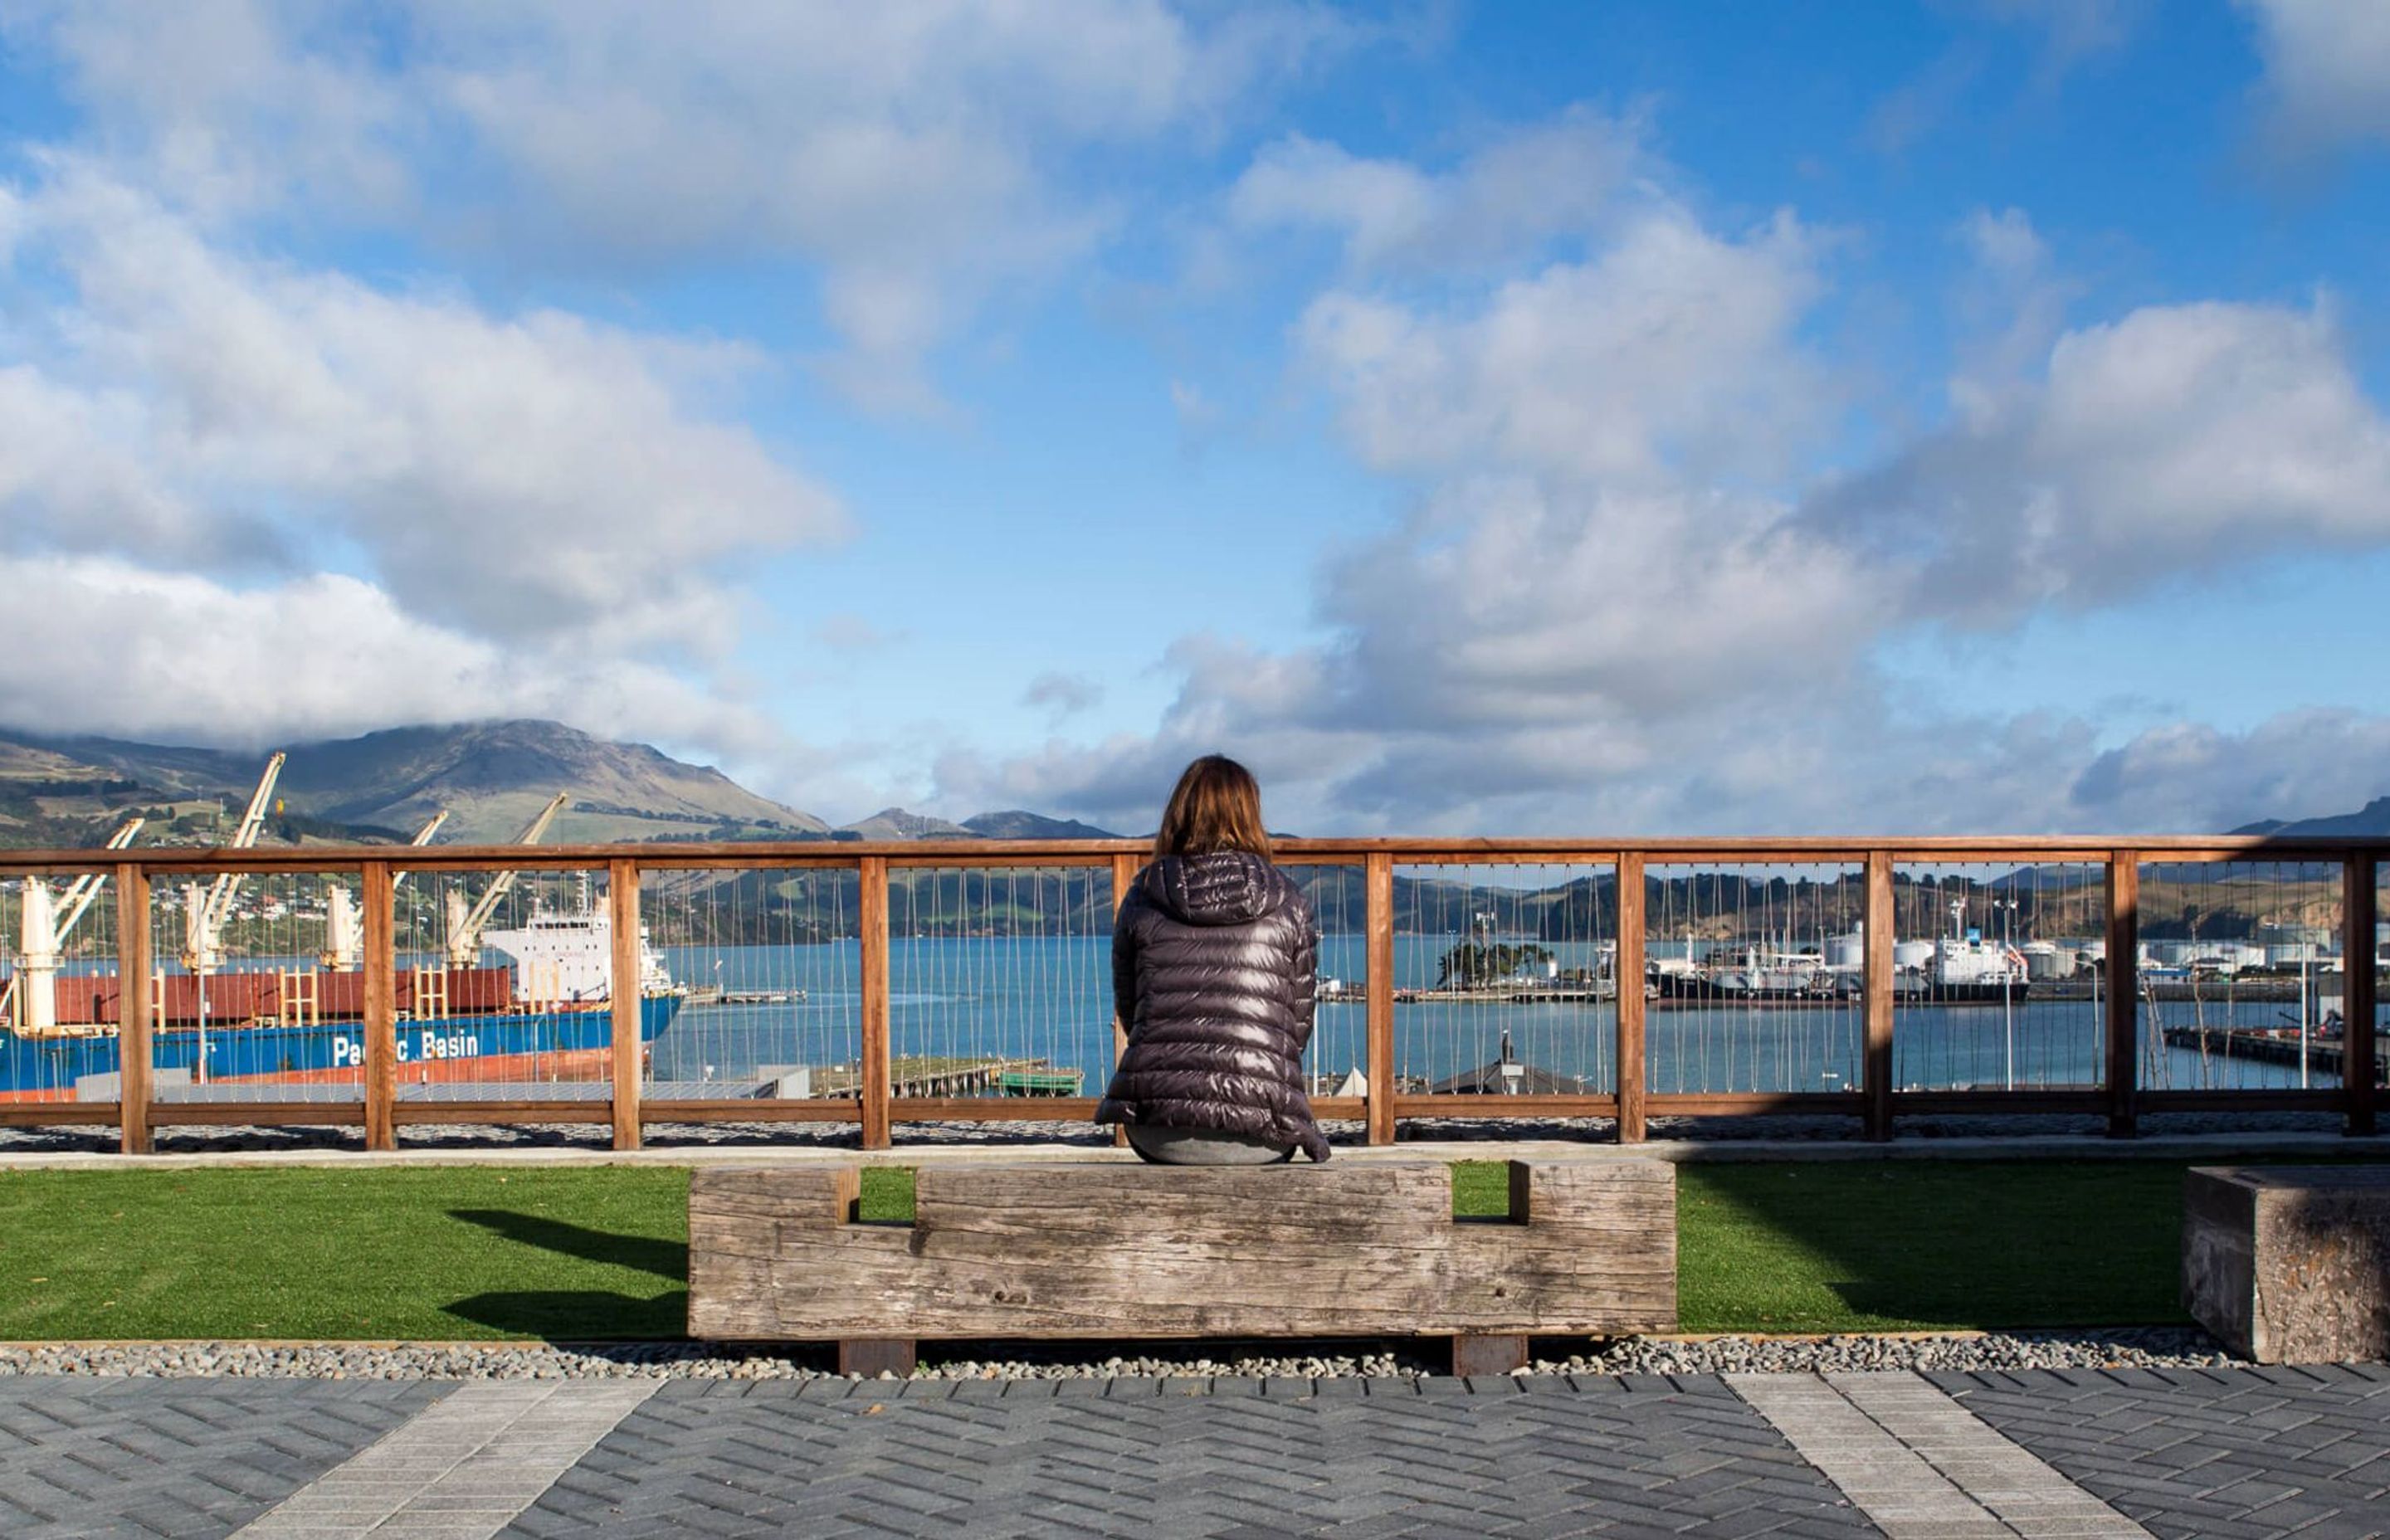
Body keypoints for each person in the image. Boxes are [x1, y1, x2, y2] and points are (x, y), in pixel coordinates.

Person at [1095, 754, 1331, 1163]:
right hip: (1264, 1131)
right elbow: (1297, 1026)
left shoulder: (1143, 896)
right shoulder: (1289, 900)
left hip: (1157, 1128)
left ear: (1178, 815)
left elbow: (1132, 1010)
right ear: (1251, 816)